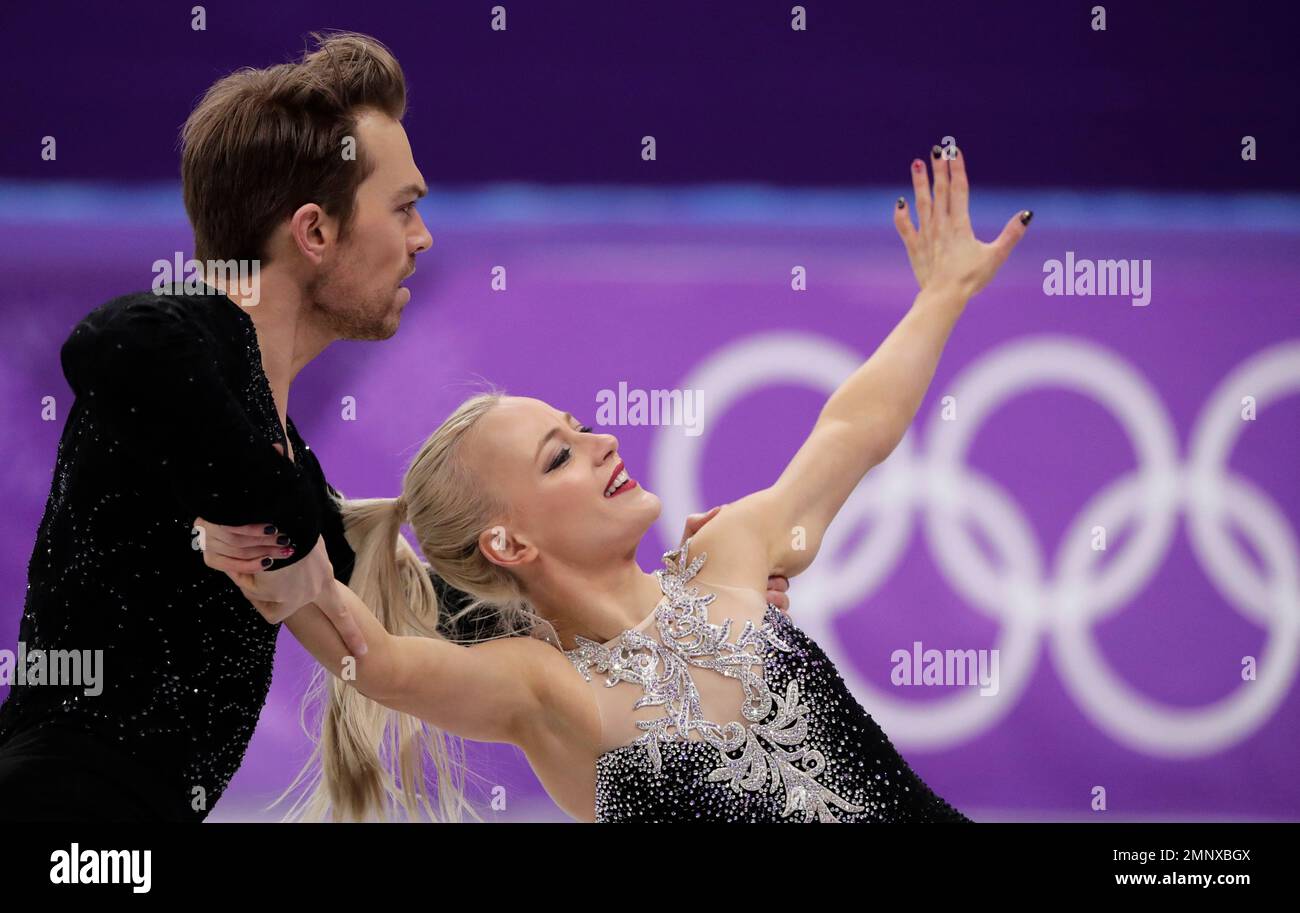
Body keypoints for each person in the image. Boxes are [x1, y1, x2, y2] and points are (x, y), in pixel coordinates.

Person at [210, 144, 1030, 822]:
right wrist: (251, 527)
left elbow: (850, 430)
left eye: (579, 427)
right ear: (508, 541)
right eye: (559, 455)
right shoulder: (548, 695)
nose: (601, 441)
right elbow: (378, 661)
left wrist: (943, 293)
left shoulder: (730, 556)